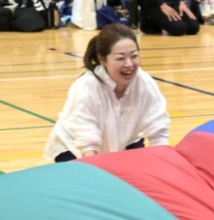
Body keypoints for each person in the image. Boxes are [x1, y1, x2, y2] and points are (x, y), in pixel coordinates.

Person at [44, 25, 168, 163]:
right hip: (74, 147)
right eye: (120, 58)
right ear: (102, 59)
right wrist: (95, 171)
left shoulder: (145, 83)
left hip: (125, 142)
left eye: (134, 56)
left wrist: (164, 164)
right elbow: (87, 140)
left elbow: (158, 132)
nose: (129, 64)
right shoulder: (87, 86)